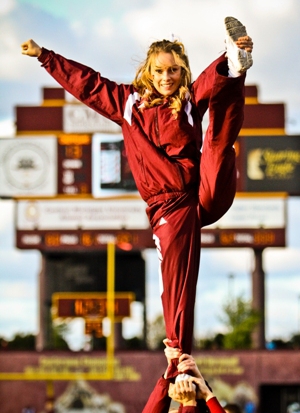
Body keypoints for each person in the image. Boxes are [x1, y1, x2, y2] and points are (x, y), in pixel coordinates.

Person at [21, 16, 253, 378]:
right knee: (176, 278)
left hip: (203, 193)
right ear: (148, 70)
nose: (167, 78)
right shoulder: (126, 102)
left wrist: (226, 63)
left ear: (182, 71)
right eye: (160, 71)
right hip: (169, 208)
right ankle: (178, 353)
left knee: (220, 144)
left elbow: (206, 85)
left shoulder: (186, 99)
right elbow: (87, 84)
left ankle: (235, 66)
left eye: (175, 71)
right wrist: (45, 56)